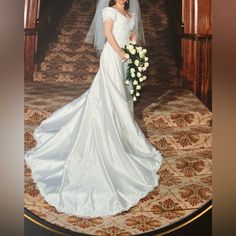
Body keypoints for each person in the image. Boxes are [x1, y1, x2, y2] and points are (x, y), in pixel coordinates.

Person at [25, 0, 163, 218]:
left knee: (124, 96)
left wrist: (134, 53)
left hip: (126, 56)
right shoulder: (109, 12)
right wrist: (122, 54)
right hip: (113, 56)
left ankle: (123, 132)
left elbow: (133, 35)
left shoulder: (130, 14)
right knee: (111, 95)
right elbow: (108, 35)